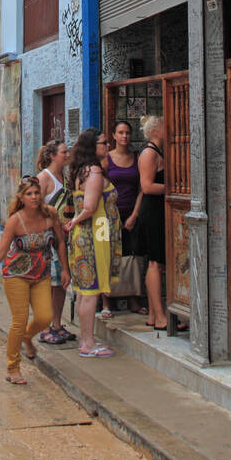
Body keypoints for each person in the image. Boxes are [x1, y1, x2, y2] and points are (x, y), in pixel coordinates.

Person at [0, 174, 69, 384]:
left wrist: (65, 270)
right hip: (16, 275)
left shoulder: (50, 214)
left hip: (42, 274)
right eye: (29, 194)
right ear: (21, 197)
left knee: (45, 317)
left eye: (36, 193)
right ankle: (13, 367)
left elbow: (60, 243)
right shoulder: (15, 221)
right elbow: (0, 251)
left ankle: (27, 337)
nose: (34, 197)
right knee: (19, 319)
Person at [64, 129, 122, 358]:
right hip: (94, 236)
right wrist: (75, 221)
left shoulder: (81, 171)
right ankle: (88, 343)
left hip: (85, 236)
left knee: (83, 292)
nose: (108, 145)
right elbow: (89, 207)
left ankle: (87, 340)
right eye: (104, 142)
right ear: (92, 146)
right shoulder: (94, 171)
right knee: (90, 292)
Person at [35, 140, 76, 345]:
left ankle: (57, 324)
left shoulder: (65, 177)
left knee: (60, 283)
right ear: (52, 156)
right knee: (50, 284)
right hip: (50, 239)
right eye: (63, 152)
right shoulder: (44, 178)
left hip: (64, 238)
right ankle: (48, 325)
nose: (67, 155)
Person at [103, 120, 144, 316]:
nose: (124, 136)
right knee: (109, 256)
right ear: (113, 135)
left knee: (133, 256)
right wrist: (111, 215)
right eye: (120, 132)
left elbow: (141, 189)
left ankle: (134, 299)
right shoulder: (106, 160)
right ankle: (107, 302)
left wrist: (135, 214)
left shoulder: (137, 158)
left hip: (132, 214)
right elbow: (100, 188)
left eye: (127, 132)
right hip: (110, 214)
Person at [136, 114, 170, 330]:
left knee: (155, 263)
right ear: (156, 131)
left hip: (156, 209)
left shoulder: (155, 152)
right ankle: (160, 316)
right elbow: (147, 186)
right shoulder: (149, 153)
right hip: (153, 209)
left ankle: (153, 315)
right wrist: (173, 188)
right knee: (155, 263)